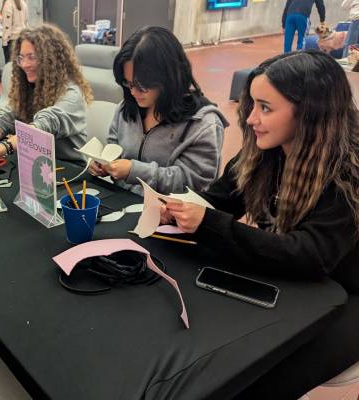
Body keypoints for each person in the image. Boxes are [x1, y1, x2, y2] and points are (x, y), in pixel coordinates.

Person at [160, 51, 359, 399]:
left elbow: (310, 254)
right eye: (252, 104)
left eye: (265, 107)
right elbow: (221, 198)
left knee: (257, 379)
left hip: (346, 294)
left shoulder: (348, 172)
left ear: (310, 112)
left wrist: (208, 222)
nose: (251, 118)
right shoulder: (265, 150)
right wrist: (182, 209)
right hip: (296, 280)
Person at [89, 27, 226, 195]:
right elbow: (114, 144)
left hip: (168, 214)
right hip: (121, 201)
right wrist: (105, 163)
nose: (133, 92)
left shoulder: (202, 124)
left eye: (142, 86)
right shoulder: (128, 106)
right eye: (128, 83)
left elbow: (194, 183)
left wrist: (134, 171)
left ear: (168, 78)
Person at [0, 24, 93, 178]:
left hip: (69, 171)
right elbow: (6, 120)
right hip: (38, 165)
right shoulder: (30, 87)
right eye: (21, 58)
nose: (24, 64)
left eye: (32, 57)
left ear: (51, 59)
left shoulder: (72, 93)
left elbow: (42, 127)